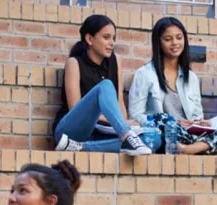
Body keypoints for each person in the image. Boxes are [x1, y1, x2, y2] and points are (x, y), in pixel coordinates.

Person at [128, 17, 217, 155]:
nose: (175, 43)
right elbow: (135, 115)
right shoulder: (145, 74)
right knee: (161, 119)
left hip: (192, 135)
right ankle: (210, 147)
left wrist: (200, 123)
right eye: (168, 39)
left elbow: (197, 115)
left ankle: (192, 148)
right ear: (159, 43)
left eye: (179, 38)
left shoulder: (191, 77)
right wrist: (175, 123)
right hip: (166, 134)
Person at [51, 14, 153, 156]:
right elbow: (75, 108)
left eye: (113, 38)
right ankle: (126, 136)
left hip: (99, 133)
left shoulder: (115, 60)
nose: (112, 43)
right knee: (105, 85)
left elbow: (119, 102)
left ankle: (82, 147)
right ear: (89, 39)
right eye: (106, 37)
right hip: (71, 131)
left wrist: (124, 122)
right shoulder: (74, 63)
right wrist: (117, 124)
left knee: (151, 139)